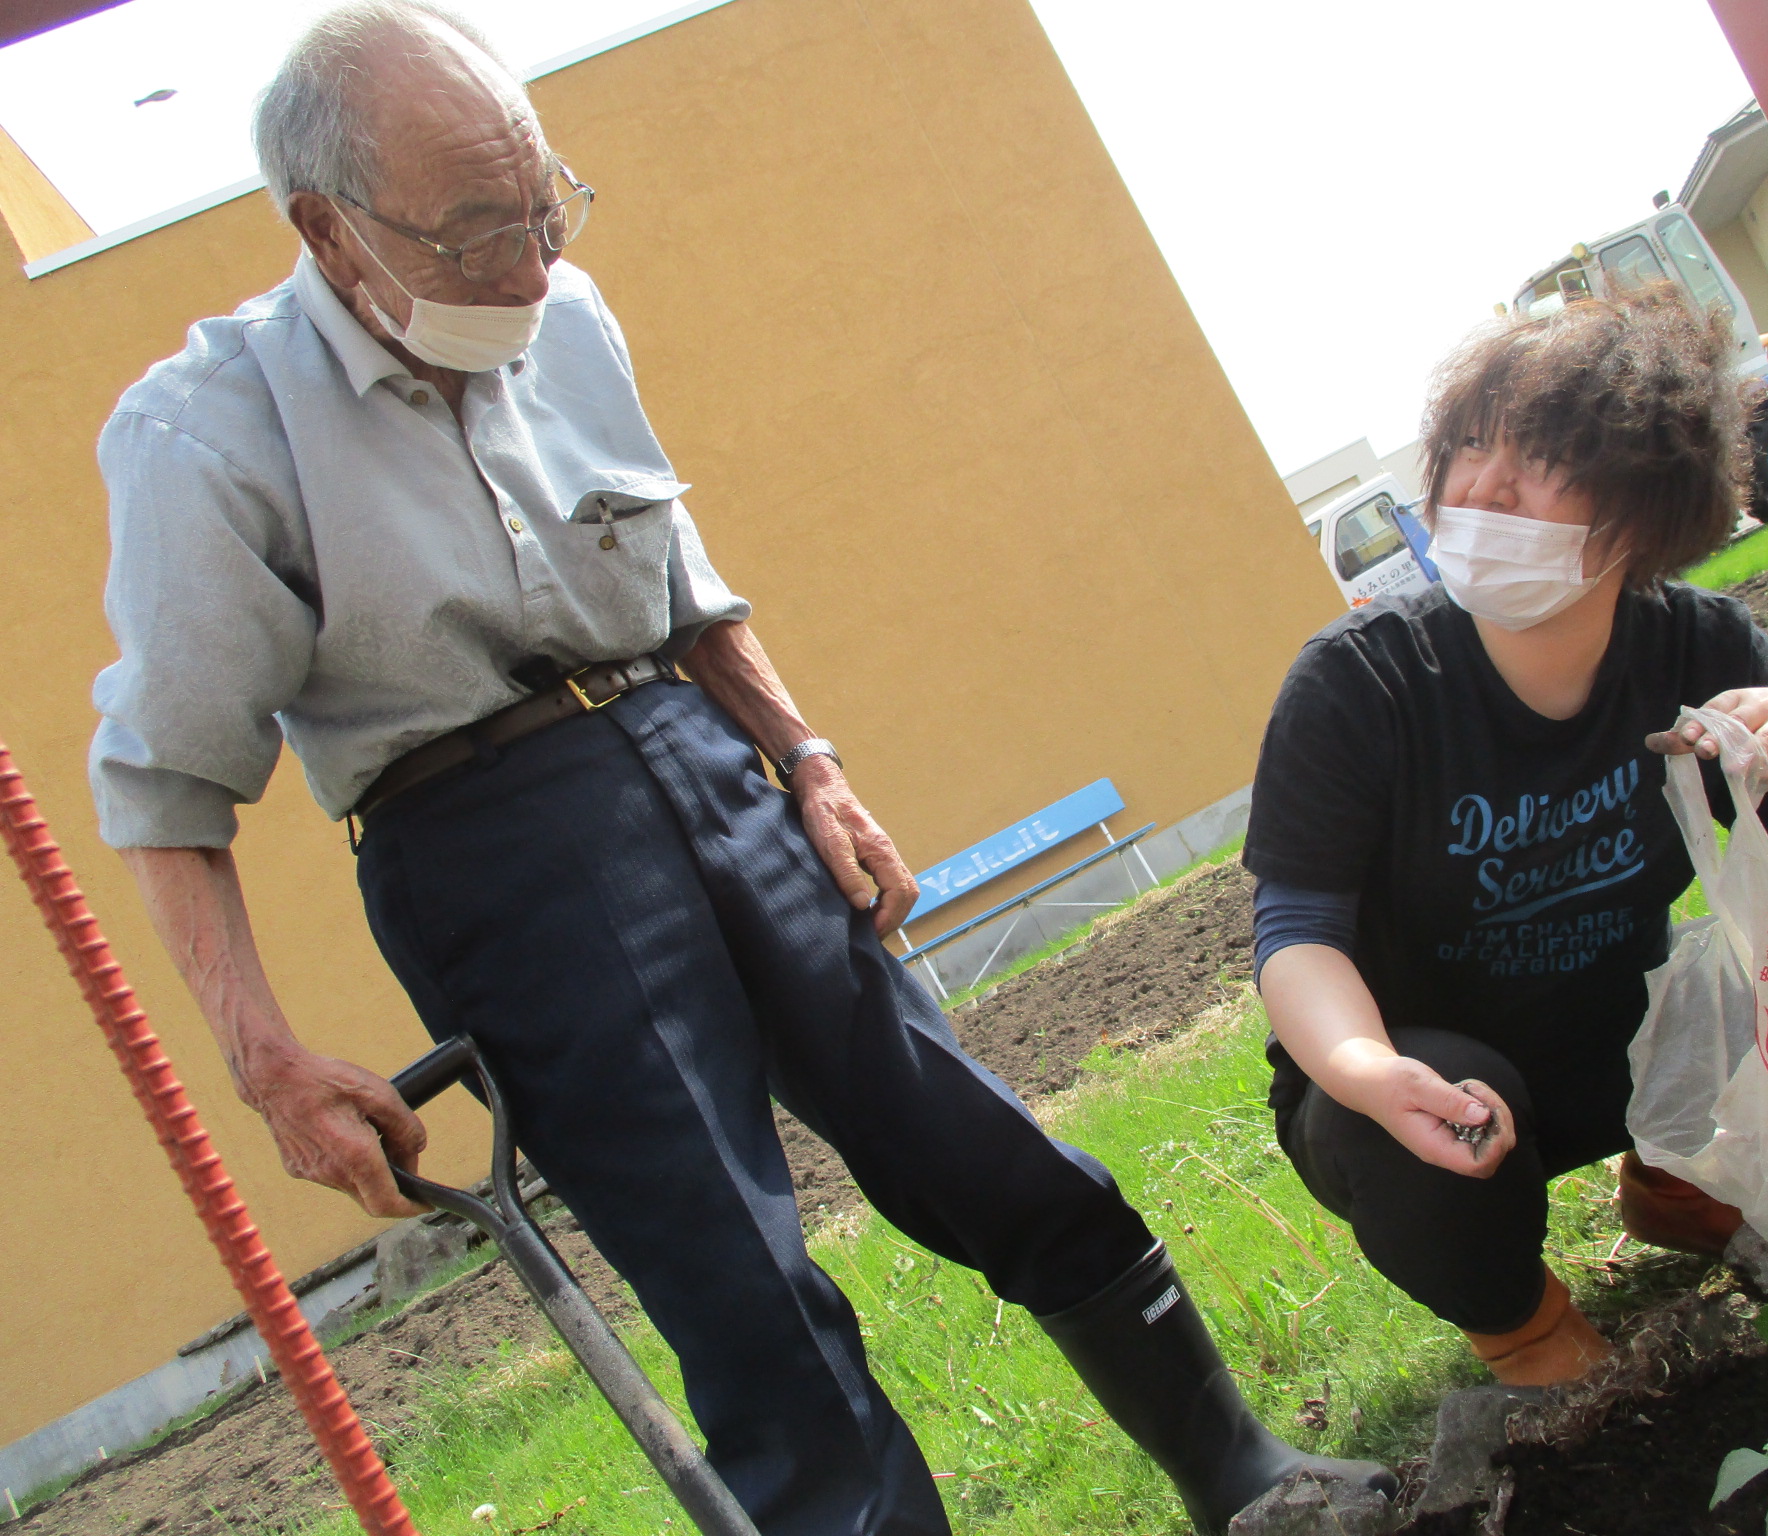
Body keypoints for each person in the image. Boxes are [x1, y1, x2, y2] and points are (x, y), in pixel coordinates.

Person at [87, 4, 1389, 1530]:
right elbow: (168, 788)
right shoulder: (205, 435)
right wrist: (267, 1059)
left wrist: (810, 764)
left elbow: (688, 586)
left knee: (969, 1129)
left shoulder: (564, 316)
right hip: (489, 847)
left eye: (543, 202)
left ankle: (1244, 1476)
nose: (526, 260)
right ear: (328, 227)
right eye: (475, 231)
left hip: (695, 757)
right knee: (738, 1283)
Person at [1244, 290, 1768, 1388]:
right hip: (1442, 1092)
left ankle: (1682, 1182)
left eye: (1535, 459)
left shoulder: (1697, 647)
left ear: (1641, 513)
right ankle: (1521, 1321)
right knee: (1411, 1110)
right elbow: (1296, 926)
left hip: (1631, 1048)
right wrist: (1362, 1070)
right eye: (1463, 447)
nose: (1477, 486)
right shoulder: (1359, 686)